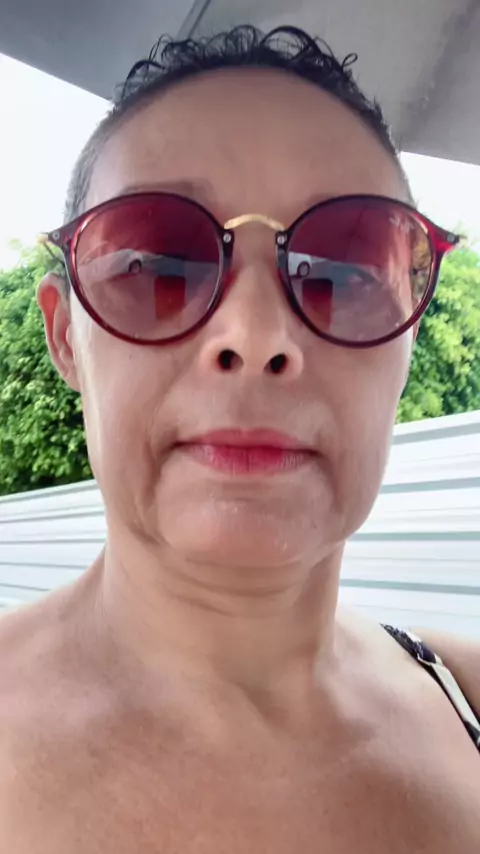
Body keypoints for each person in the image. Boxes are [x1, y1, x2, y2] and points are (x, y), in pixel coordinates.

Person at [0, 24, 478, 853]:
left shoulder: (465, 693)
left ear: (410, 340)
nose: (256, 335)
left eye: (344, 272)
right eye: (155, 264)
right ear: (66, 337)